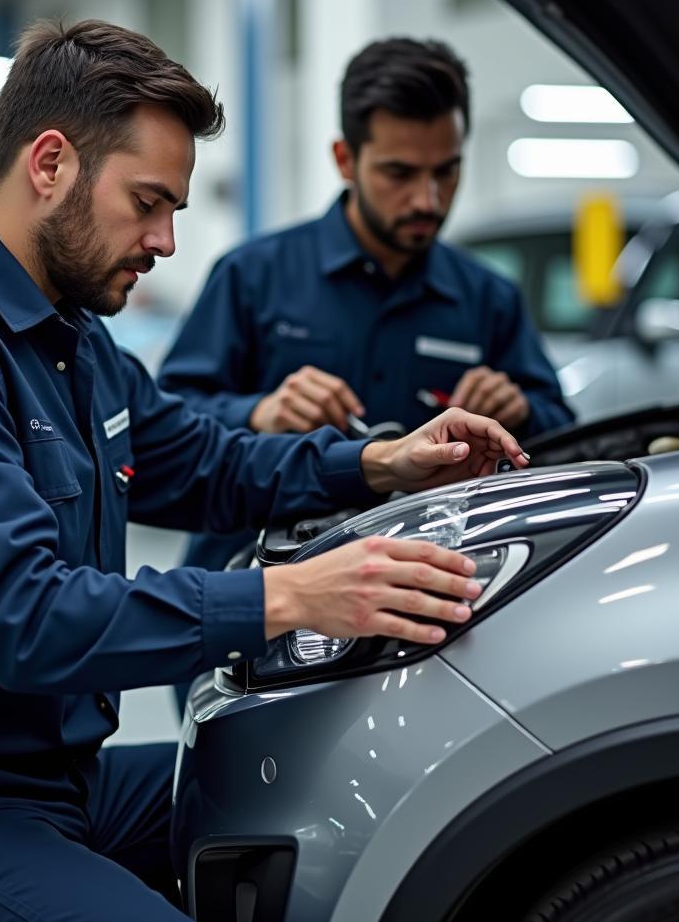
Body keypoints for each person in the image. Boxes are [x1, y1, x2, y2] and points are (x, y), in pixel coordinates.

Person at [0, 19, 528, 922]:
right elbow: (27, 617)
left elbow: (203, 460)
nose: (166, 240)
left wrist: (377, 460)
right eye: (148, 202)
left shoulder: (76, 343)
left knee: (345, 801)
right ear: (50, 164)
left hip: (58, 783)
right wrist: (293, 596)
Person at [158, 36, 573, 583]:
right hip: (258, 588)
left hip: (423, 589)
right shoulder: (252, 276)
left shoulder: (488, 298)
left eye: (446, 171)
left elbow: (565, 433)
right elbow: (165, 426)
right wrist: (259, 414)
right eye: (400, 174)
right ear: (345, 160)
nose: (428, 199)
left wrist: (519, 412)